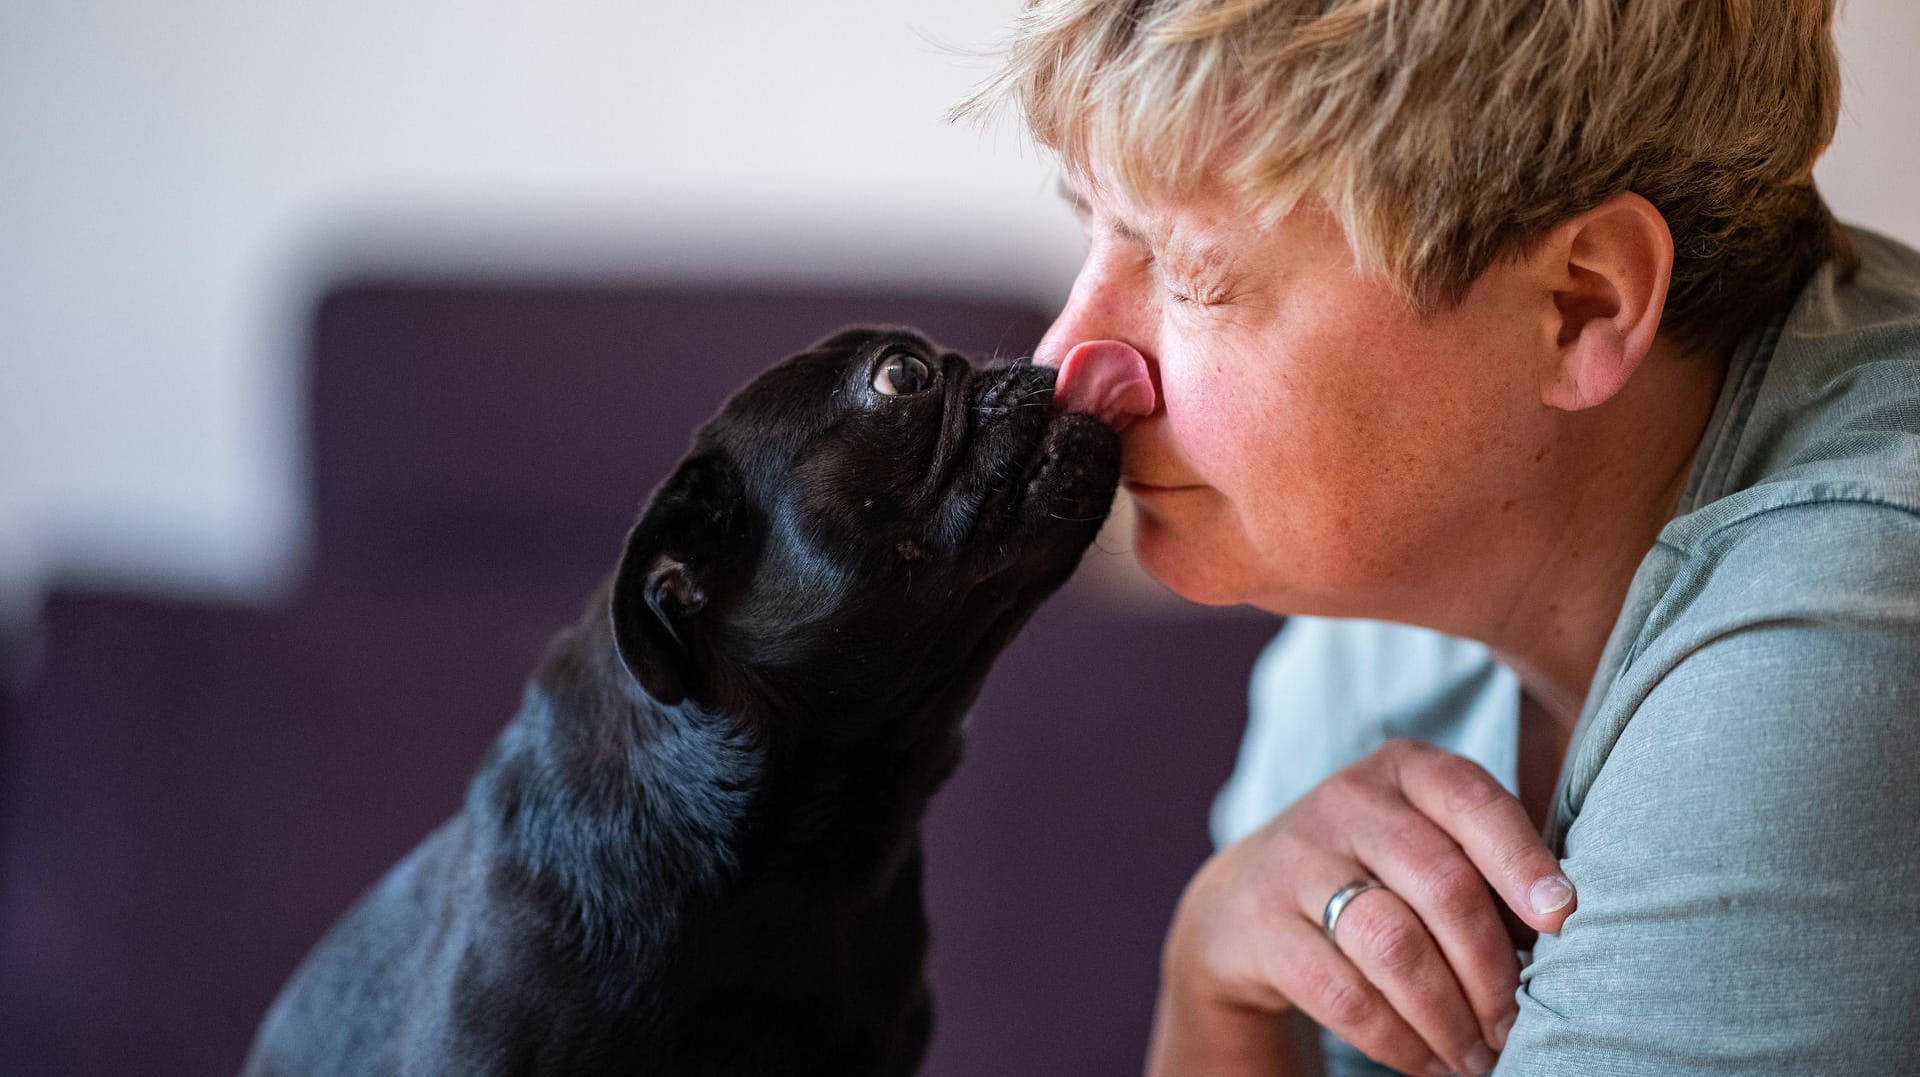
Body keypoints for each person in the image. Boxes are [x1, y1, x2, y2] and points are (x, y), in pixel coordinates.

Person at [958, 1, 1920, 1074]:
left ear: (1580, 304)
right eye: (1090, 227)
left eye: (1193, 273)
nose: (1069, 371)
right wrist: (1213, 962)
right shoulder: (1401, 576)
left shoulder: (1849, 630)